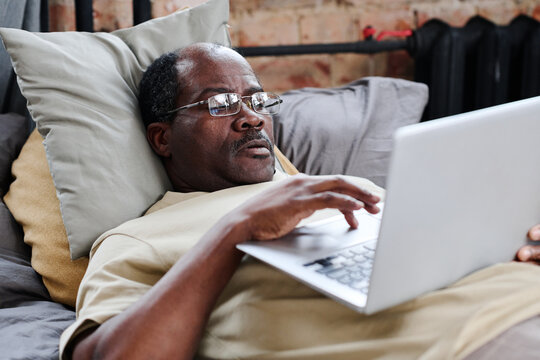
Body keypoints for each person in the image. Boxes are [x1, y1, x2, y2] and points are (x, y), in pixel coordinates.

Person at [61, 43, 540, 360]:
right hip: (473, 343)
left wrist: (517, 241)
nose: (251, 118)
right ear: (162, 138)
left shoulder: (345, 185)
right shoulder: (136, 239)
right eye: (221, 104)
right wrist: (236, 230)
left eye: (257, 100)